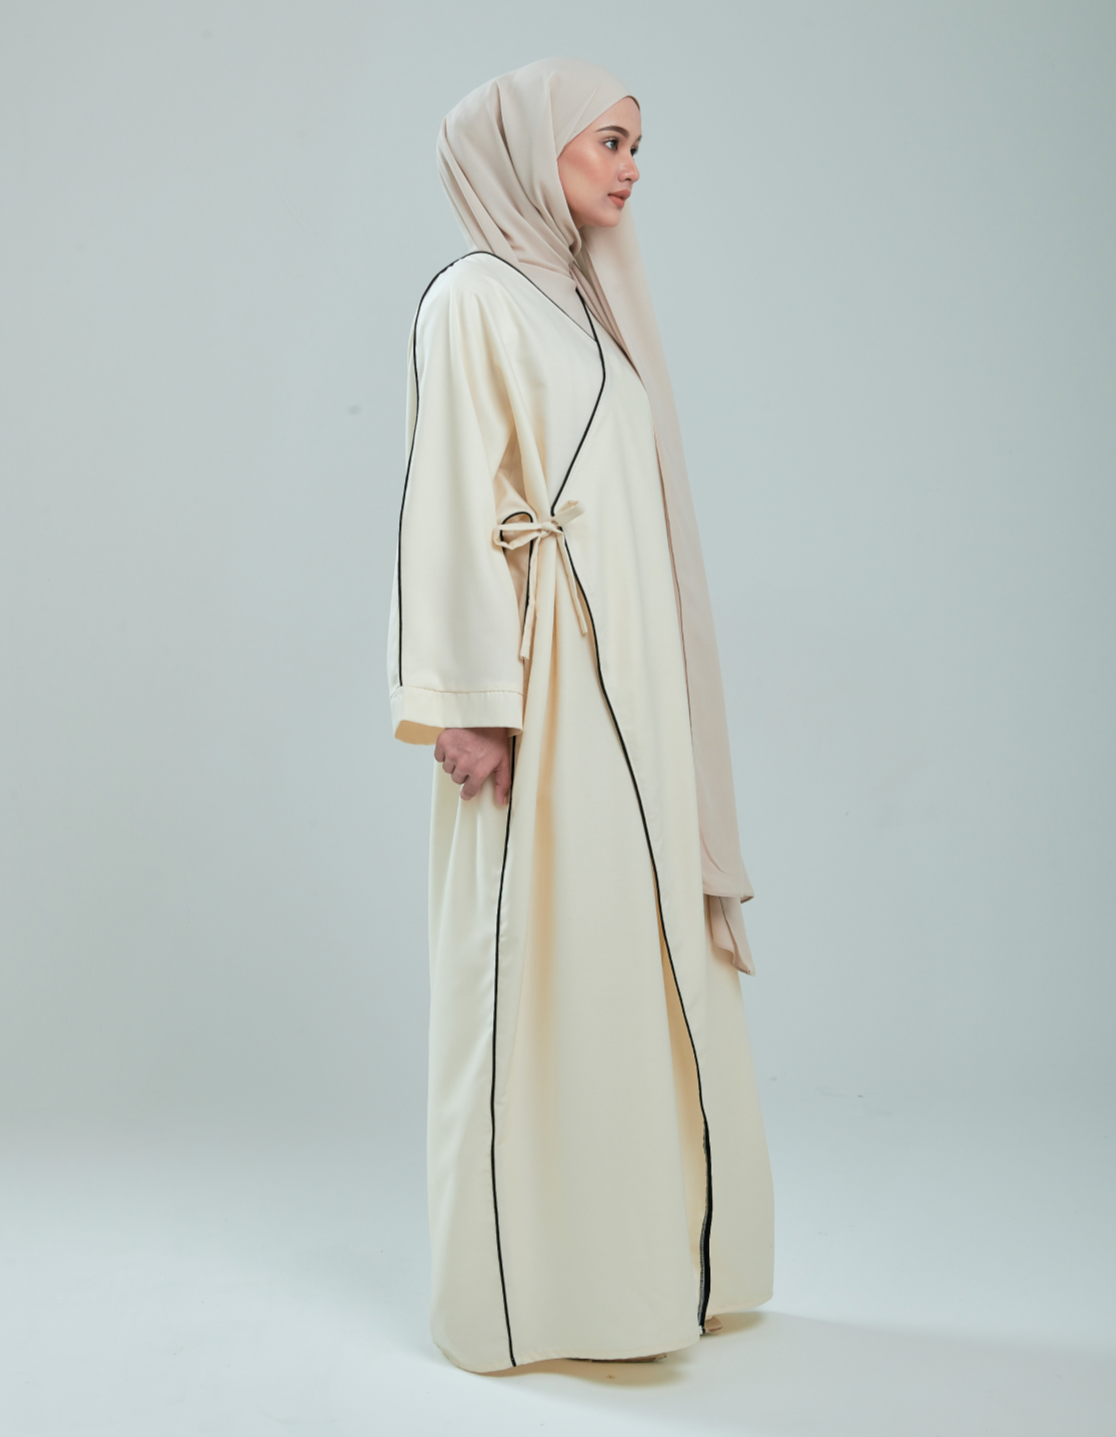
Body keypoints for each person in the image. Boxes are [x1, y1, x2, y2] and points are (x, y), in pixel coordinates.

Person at [388, 57, 773, 1374]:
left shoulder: (587, 304)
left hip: (636, 690)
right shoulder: (471, 297)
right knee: (539, 963)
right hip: (545, 685)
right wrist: (471, 702)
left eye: (635, 144)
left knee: (632, 955)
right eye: (606, 140)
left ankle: (649, 1271)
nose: (630, 166)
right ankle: (534, 1298)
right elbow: (451, 496)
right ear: (525, 147)